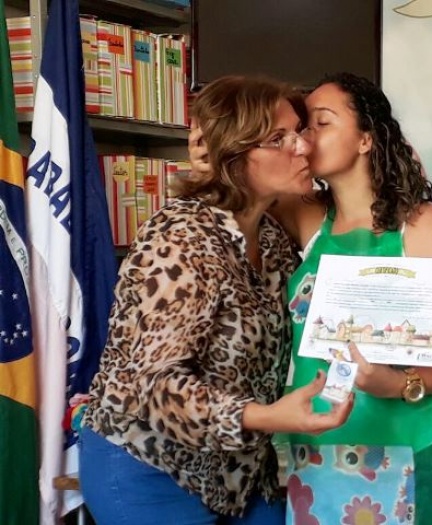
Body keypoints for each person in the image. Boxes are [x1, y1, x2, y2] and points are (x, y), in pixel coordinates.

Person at [189, 72, 432, 524]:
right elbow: (245, 178)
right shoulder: (305, 217)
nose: (304, 139)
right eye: (301, 128)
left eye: (321, 123)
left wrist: (403, 383)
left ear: (365, 140)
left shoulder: (422, 226)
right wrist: (212, 156)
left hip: (421, 449)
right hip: (321, 457)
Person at [79, 75, 353, 525]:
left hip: (239, 471)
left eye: (299, 132)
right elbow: (155, 386)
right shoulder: (180, 237)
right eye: (278, 138)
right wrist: (266, 417)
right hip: (152, 467)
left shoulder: (272, 237)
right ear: (234, 155)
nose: (303, 146)